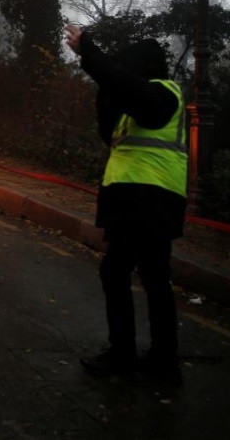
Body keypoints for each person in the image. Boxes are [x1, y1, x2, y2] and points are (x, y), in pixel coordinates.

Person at [65, 25, 186, 384]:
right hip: (139, 200)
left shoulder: (162, 94)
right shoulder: (135, 102)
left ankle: (125, 355)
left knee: (120, 273)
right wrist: (99, 73)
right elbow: (110, 122)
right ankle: (162, 360)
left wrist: (91, 52)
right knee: (151, 276)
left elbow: (128, 88)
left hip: (146, 200)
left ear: (141, 68)